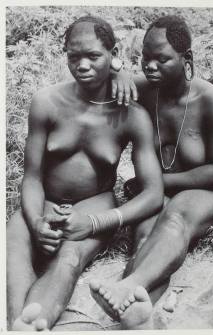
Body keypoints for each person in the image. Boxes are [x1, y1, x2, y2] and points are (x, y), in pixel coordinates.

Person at [7, 16, 164, 331]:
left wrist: (95, 222)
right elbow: (33, 176)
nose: (82, 65)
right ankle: (17, 324)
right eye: (73, 57)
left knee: (69, 260)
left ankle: (37, 321)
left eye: (93, 56)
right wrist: (36, 219)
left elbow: (153, 194)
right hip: (43, 199)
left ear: (112, 53)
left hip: (94, 203)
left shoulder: (132, 116)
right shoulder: (47, 102)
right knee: (14, 245)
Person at [89, 15, 213, 328]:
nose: (150, 66)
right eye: (145, 58)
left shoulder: (212, 101)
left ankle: (127, 287)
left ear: (187, 59)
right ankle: (138, 311)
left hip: (204, 188)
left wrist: (158, 181)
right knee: (142, 237)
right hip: (158, 188)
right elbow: (97, 79)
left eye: (161, 59)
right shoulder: (143, 89)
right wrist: (122, 72)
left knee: (174, 219)